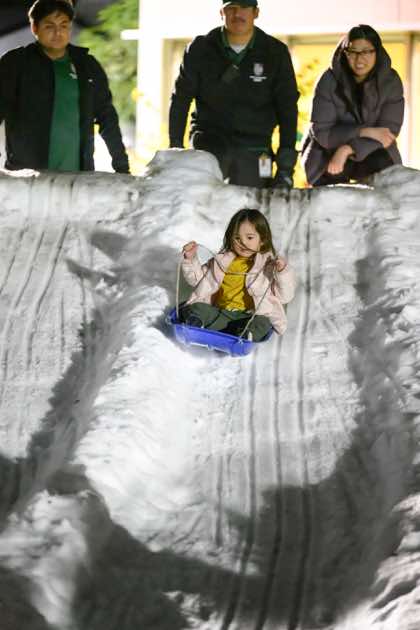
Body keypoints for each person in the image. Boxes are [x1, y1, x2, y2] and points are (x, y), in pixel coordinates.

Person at [169, 0, 299, 189]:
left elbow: (287, 109)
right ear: (222, 12)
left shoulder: (275, 52)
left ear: (256, 13)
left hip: (256, 146)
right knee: (204, 194)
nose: (238, 14)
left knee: (253, 199)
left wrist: (285, 168)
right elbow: (180, 100)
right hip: (210, 142)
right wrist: (175, 148)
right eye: (231, 8)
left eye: (244, 8)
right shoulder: (200, 49)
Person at [0, 0, 129, 173]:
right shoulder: (16, 63)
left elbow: (107, 117)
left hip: (78, 175)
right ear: (34, 28)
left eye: (64, 25)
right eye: (49, 26)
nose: (58, 32)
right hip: (27, 177)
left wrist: (122, 167)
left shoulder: (87, 65)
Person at [301, 24, 404, 186]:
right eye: (353, 52)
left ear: (377, 52)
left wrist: (347, 149)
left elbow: (387, 133)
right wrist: (365, 131)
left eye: (367, 52)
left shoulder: (390, 82)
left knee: (385, 174)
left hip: (372, 151)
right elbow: (323, 132)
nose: (359, 59)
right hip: (328, 151)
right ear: (345, 53)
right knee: (331, 186)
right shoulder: (328, 80)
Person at [179, 208, 296, 341]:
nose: (243, 242)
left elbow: (285, 296)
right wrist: (190, 259)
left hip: (248, 318)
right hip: (220, 314)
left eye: (249, 237)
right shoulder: (221, 261)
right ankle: (195, 325)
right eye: (237, 238)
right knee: (195, 308)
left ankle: (245, 335)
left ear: (262, 240)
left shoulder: (268, 267)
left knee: (264, 322)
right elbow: (197, 280)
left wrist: (282, 272)